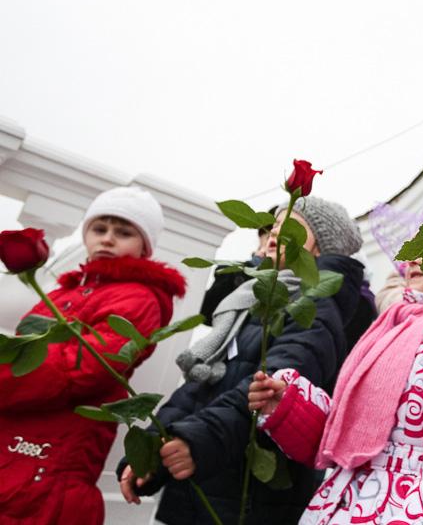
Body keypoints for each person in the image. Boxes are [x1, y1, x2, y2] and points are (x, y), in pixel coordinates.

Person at [118, 196, 372, 525]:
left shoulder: (315, 311)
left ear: (321, 249)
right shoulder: (251, 303)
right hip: (199, 482)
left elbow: (265, 392)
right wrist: (154, 449)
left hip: (250, 499)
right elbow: (200, 385)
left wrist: (197, 441)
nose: (274, 235)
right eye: (274, 226)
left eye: (289, 227)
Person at [248, 248, 423, 524]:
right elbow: (351, 441)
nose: (411, 260)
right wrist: (290, 406)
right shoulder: (401, 321)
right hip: (342, 506)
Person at [0, 187, 185, 525]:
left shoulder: (139, 298)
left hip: (56, 451)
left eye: (124, 232)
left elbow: (83, 367)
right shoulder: (61, 293)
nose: (108, 240)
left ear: (145, 246)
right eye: (99, 229)